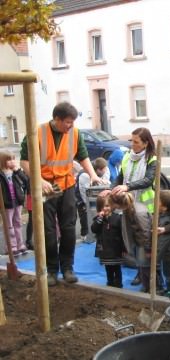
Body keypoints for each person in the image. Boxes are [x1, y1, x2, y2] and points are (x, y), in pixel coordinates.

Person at [20, 102, 105, 286]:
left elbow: (82, 156)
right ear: (56, 119)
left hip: (66, 185)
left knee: (68, 228)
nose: (70, 125)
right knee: (48, 231)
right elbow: (24, 161)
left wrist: (92, 175)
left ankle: (67, 267)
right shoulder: (37, 133)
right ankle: (51, 270)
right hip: (45, 188)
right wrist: (39, 181)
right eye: (67, 122)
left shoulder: (74, 133)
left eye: (73, 122)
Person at [111, 127, 156, 285]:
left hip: (145, 208)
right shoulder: (126, 157)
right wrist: (111, 190)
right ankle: (140, 271)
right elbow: (119, 177)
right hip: (128, 205)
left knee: (144, 242)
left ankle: (147, 275)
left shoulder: (152, 159)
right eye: (132, 141)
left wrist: (127, 187)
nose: (133, 144)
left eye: (136, 142)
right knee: (131, 240)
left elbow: (149, 180)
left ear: (145, 143)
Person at [110, 191, 152, 292]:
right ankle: (145, 284)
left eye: (113, 204)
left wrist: (147, 249)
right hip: (138, 243)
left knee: (146, 266)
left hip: (143, 245)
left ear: (119, 204)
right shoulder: (127, 209)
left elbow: (145, 232)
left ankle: (149, 288)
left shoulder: (138, 213)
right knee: (141, 264)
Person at [91, 193, 125, 288]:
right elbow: (94, 229)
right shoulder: (99, 219)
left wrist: (124, 248)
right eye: (102, 207)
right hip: (105, 249)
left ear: (112, 205)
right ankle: (110, 283)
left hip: (115, 249)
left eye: (107, 206)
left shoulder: (118, 218)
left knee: (117, 268)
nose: (105, 209)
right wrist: (100, 218)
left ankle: (118, 284)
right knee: (108, 268)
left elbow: (122, 234)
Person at [75, 157, 110, 242]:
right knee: (85, 217)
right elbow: (85, 195)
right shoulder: (85, 175)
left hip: (95, 198)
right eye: (103, 170)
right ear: (98, 170)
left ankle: (95, 235)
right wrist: (89, 206)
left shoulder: (103, 169)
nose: (105, 171)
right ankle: (85, 235)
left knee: (96, 217)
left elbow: (107, 182)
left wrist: (103, 181)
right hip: (82, 199)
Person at [0, 150, 28, 255]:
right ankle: (11, 246)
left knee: (18, 223)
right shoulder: (1, 174)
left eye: (13, 159)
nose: (12, 161)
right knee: (9, 225)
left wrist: (17, 171)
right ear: (2, 161)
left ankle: (20, 244)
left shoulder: (15, 172)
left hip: (17, 202)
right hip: (7, 204)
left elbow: (26, 180)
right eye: (8, 160)